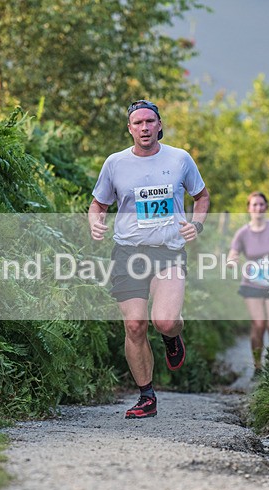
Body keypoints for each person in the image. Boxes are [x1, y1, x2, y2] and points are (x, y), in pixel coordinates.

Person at [89, 99, 209, 419]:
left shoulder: (180, 159)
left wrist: (196, 224)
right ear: (129, 128)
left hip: (168, 251)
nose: (144, 127)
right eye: (137, 123)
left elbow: (202, 197)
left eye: (149, 122)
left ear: (159, 125)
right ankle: (146, 396)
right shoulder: (115, 163)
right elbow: (98, 204)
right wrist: (95, 221)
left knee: (165, 320)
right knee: (135, 325)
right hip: (128, 252)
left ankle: (172, 337)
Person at [226, 192, 269, 376]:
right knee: (259, 324)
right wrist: (232, 260)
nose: (258, 208)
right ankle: (258, 366)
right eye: (254, 205)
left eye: (261, 204)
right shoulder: (243, 233)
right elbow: (233, 252)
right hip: (252, 285)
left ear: (266, 207)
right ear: (249, 208)